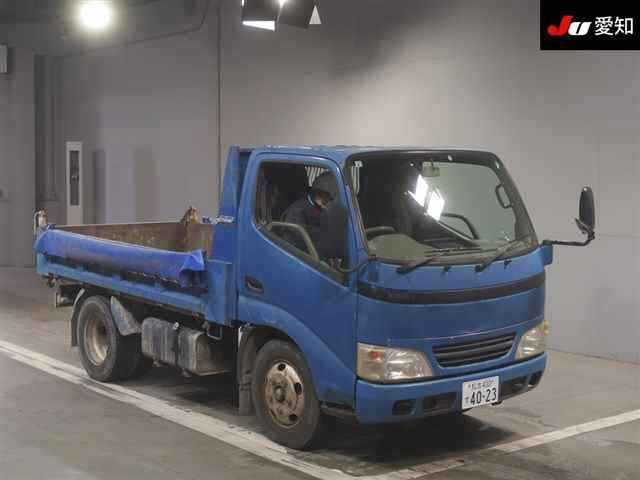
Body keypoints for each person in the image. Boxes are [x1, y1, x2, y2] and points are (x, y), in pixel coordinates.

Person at [281, 172, 338, 258]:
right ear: (318, 193)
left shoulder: (318, 206)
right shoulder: (296, 211)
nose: (329, 204)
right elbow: (297, 243)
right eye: (327, 199)